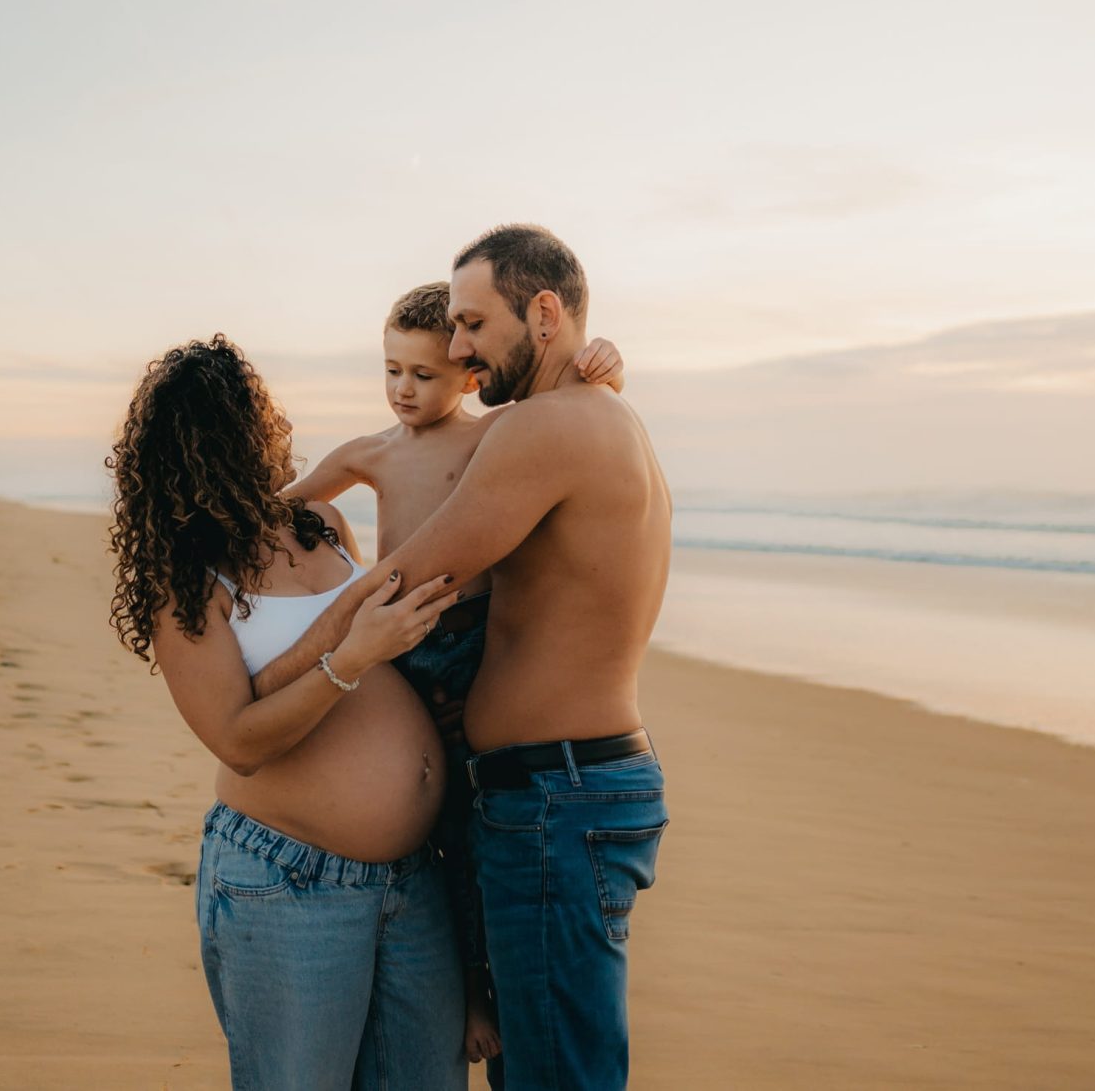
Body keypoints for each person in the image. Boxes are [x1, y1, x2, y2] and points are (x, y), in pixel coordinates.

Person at [251, 225, 673, 1091]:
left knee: (556, 1077)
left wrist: (278, 680)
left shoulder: (547, 427)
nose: (457, 348)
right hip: (570, 785)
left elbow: (413, 576)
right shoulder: (598, 416)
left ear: (545, 313)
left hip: (557, 794)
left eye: (474, 324)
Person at [106, 334, 469, 1091]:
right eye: (253, 419)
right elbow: (239, 740)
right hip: (291, 883)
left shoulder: (317, 523)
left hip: (412, 877)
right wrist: (352, 654)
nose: (273, 432)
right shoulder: (187, 580)